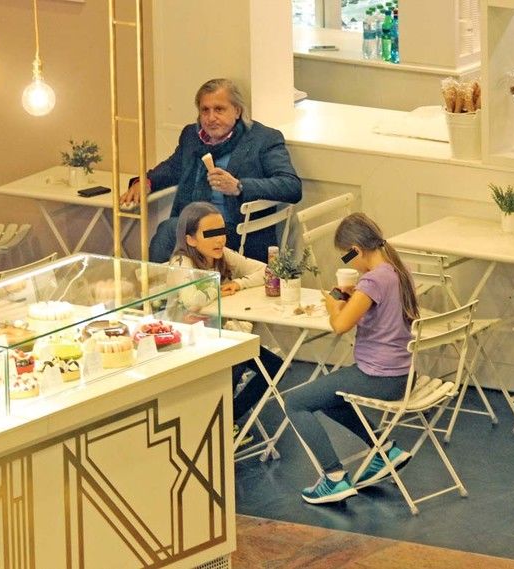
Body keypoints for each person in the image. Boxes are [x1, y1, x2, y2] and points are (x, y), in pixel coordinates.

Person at [284, 212, 419, 505]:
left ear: (356, 249)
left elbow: (340, 325)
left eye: (347, 257)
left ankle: (333, 477)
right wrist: (356, 296)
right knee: (330, 395)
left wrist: (333, 304)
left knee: (295, 402)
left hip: (379, 377)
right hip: (404, 374)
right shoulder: (399, 270)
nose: (349, 263)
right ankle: (385, 450)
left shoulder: (373, 281)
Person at [121, 78, 302, 263]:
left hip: (235, 232)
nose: (211, 117)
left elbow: (291, 186)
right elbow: (173, 167)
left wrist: (238, 186)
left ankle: (153, 279)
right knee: (177, 230)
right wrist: (147, 182)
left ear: (237, 111)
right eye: (205, 110)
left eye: (219, 109)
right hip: (194, 227)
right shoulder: (192, 135)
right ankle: (161, 278)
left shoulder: (263, 139)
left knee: (170, 230)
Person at [169, 201, 283, 443]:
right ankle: (217, 424)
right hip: (186, 342)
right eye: (210, 234)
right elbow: (192, 300)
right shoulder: (181, 262)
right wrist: (218, 287)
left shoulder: (222, 255)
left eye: (221, 232)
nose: (219, 239)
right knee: (236, 359)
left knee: (275, 367)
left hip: (220, 337)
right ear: (190, 239)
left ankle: (226, 418)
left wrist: (239, 283)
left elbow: (266, 270)